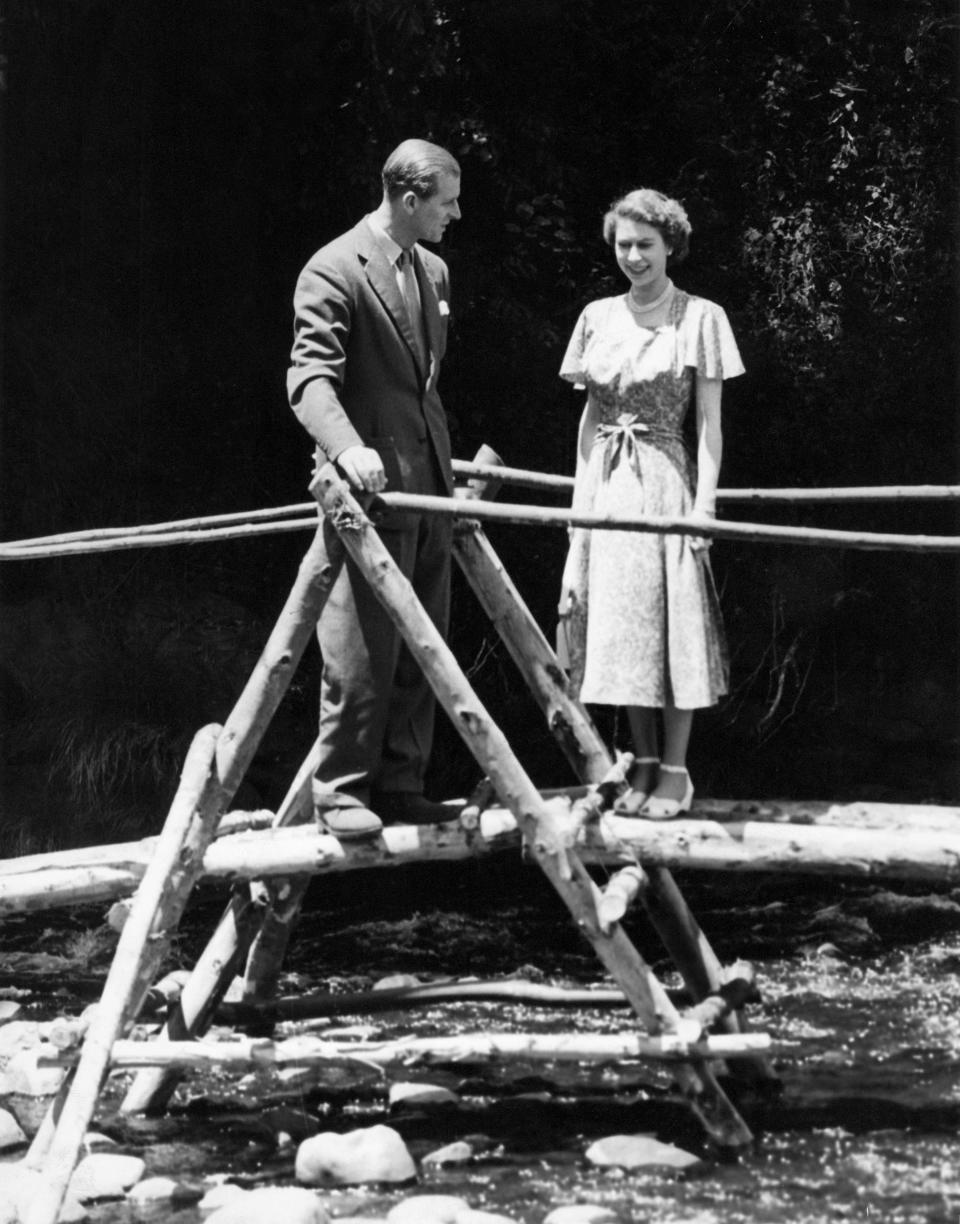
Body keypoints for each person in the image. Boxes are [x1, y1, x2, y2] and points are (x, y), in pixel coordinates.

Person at [287, 138, 462, 837]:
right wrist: (348, 449)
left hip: (431, 485)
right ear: (409, 198)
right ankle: (341, 789)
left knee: (426, 643)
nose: (455, 214)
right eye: (446, 201)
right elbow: (308, 380)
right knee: (360, 647)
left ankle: (402, 780)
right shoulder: (333, 268)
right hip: (366, 490)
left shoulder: (438, 271)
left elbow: (422, 384)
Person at [557, 188, 744, 818]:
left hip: (666, 481)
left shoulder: (701, 317)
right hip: (609, 486)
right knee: (622, 626)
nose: (634, 257)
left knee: (673, 626)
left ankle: (675, 770)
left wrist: (705, 508)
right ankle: (638, 763)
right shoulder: (596, 316)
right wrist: (581, 507)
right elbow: (590, 419)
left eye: (646, 245)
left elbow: (710, 428)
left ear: (670, 246)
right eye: (623, 245)